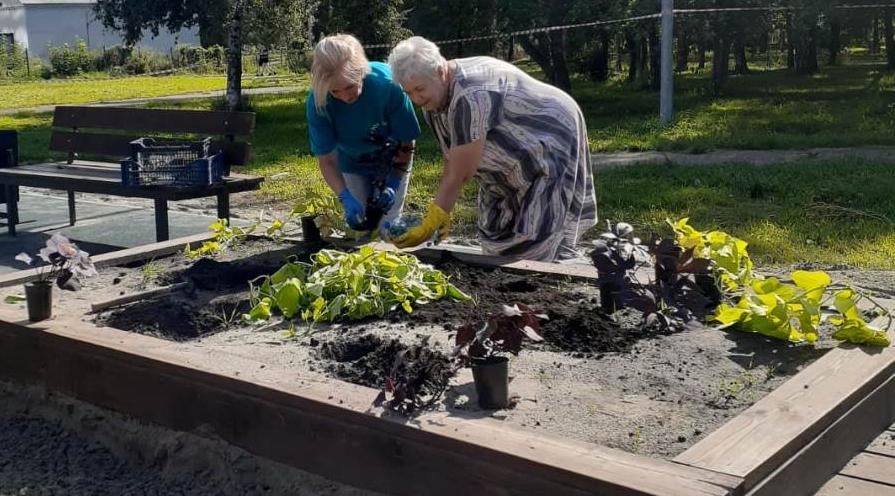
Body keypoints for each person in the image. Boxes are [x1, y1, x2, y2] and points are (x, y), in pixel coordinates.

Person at [386, 36, 597, 262]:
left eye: (420, 89)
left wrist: (433, 219)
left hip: (549, 133)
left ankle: (539, 271)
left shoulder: (470, 94)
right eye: (409, 93)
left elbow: (461, 173)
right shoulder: (434, 101)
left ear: (440, 71)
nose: (416, 99)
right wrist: (440, 213)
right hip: (509, 147)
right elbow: (453, 158)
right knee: (496, 223)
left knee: (534, 229)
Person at [306, 34, 420, 236]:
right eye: (335, 91)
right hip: (350, 159)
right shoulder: (319, 103)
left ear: (361, 71)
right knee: (361, 225)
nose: (345, 96)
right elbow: (327, 160)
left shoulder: (388, 86)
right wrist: (344, 196)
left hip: (393, 155)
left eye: (350, 86)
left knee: (389, 227)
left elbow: (406, 140)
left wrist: (393, 184)